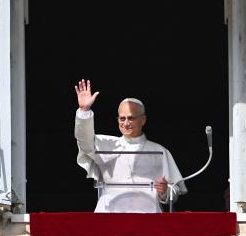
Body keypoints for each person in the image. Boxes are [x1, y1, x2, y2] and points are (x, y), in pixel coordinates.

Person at [74, 79, 187, 213]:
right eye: (122, 118)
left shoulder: (159, 151)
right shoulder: (107, 144)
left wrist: (164, 191)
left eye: (131, 118)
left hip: (148, 215)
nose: (126, 123)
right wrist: (84, 110)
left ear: (143, 120)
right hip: (109, 213)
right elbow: (84, 141)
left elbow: (175, 189)